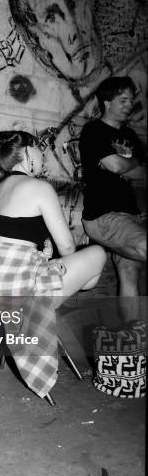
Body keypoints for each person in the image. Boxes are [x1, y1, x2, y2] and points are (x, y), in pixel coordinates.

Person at [0, 130, 106, 305]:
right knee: (98, 254)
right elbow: (67, 247)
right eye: (39, 148)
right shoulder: (39, 187)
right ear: (28, 152)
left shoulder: (0, 188)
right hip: (20, 293)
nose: (43, 154)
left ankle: (46, 319)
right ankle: (40, 320)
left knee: (80, 274)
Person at [79, 76, 146, 309]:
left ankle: (134, 339)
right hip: (105, 214)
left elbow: (143, 173)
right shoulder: (93, 130)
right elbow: (117, 167)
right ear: (107, 102)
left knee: (130, 278)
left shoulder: (131, 137)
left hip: (130, 214)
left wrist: (123, 164)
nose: (129, 105)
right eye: (123, 100)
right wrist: (130, 164)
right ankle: (105, 244)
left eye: (131, 100)